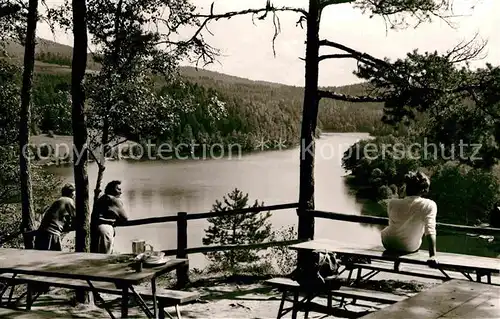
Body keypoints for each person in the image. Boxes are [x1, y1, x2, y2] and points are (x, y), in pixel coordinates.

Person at [380, 171, 438, 267]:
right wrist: (433, 256)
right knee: (418, 229)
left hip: (388, 243)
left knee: (393, 229)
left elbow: (394, 223)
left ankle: (396, 266)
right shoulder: (429, 205)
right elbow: (430, 230)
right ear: (423, 190)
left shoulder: (392, 203)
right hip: (409, 247)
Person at [35, 183, 76, 251]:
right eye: (74, 193)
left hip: (42, 233)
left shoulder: (58, 201)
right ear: (71, 193)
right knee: (54, 259)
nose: (74, 196)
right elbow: (77, 218)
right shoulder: (68, 201)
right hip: (52, 234)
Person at [90, 180, 128, 254]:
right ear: (111, 189)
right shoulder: (113, 199)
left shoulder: (102, 198)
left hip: (94, 228)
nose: (121, 192)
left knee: (95, 256)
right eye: (118, 189)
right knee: (105, 257)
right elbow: (125, 217)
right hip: (105, 229)